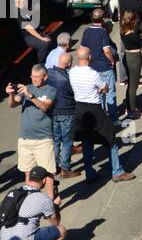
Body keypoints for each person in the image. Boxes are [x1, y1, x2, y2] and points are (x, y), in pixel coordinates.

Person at [69, 46, 135, 183]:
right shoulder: (93, 73)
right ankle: (117, 171)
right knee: (111, 139)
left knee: (87, 141)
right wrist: (101, 89)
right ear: (90, 57)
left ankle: (89, 173)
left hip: (79, 110)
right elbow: (104, 88)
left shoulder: (72, 72)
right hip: (94, 109)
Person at [6, 64, 57, 199]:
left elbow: (45, 107)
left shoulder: (51, 90)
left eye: (37, 77)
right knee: (28, 173)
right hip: (25, 139)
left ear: (45, 77)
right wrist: (11, 94)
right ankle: (31, 200)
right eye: (32, 77)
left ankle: (50, 202)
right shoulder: (26, 89)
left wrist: (30, 95)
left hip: (44, 139)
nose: (34, 80)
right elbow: (12, 104)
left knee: (47, 173)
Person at [1, 165, 66, 240]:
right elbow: (55, 223)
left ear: (29, 178)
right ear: (44, 180)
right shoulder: (43, 199)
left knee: (22, 228)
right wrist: (55, 206)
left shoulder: (14, 193)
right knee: (62, 231)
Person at [80, 7, 119, 123]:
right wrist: (112, 60)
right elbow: (107, 50)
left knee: (98, 94)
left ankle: (101, 118)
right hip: (104, 67)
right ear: (102, 19)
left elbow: (82, 49)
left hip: (92, 67)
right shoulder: (103, 32)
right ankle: (113, 119)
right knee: (110, 92)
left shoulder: (86, 31)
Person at [46, 51, 77, 177]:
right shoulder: (66, 79)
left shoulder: (48, 73)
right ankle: (65, 168)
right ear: (69, 64)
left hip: (52, 112)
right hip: (67, 112)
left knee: (56, 140)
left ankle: (54, 165)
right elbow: (74, 94)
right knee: (67, 140)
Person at [14, 0, 52, 65]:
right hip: (24, 38)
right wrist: (41, 38)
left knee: (49, 38)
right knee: (43, 44)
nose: (26, 3)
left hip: (29, 35)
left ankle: (50, 59)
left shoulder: (22, 9)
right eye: (24, 2)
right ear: (19, 2)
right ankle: (41, 64)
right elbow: (29, 28)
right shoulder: (17, 13)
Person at [120, 10, 142, 119]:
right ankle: (133, 110)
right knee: (134, 86)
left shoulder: (123, 32)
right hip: (135, 59)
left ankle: (128, 107)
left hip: (127, 56)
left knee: (130, 84)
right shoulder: (133, 35)